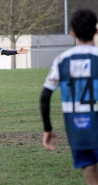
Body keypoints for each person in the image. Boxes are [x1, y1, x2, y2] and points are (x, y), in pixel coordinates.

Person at [40, 8, 98, 185]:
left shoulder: (62, 60)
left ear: (72, 33)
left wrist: (48, 128)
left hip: (78, 132)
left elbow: (45, 96)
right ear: (96, 31)